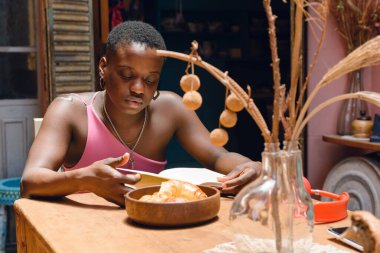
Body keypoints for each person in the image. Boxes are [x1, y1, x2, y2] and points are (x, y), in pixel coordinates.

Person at [21, 21, 262, 207]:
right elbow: (30, 182)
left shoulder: (171, 109)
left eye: (150, 80)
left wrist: (249, 167)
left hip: (148, 227)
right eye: (127, 75)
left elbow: (217, 157)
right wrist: (84, 180)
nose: (138, 89)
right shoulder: (70, 110)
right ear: (103, 67)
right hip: (83, 230)